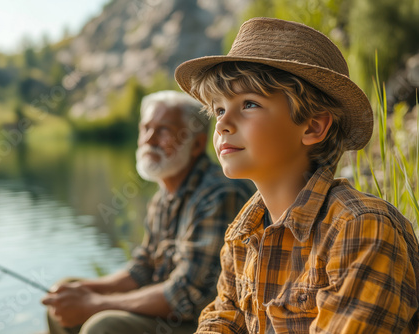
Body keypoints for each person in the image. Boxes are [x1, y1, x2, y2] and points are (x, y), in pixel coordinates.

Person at [174, 18, 419, 333]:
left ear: (313, 126)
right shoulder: (242, 234)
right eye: (219, 109)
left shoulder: (362, 227)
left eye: (249, 104)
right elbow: (221, 319)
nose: (223, 124)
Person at [41, 90, 255, 334]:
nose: (150, 139)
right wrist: (83, 291)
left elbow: (186, 295)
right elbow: (142, 269)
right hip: (173, 310)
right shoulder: (163, 195)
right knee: (65, 289)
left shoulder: (219, 194)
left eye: (164, 130)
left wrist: (94, 304)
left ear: (196, 143)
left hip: (207, 322)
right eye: (146, 128)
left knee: (103, 326)